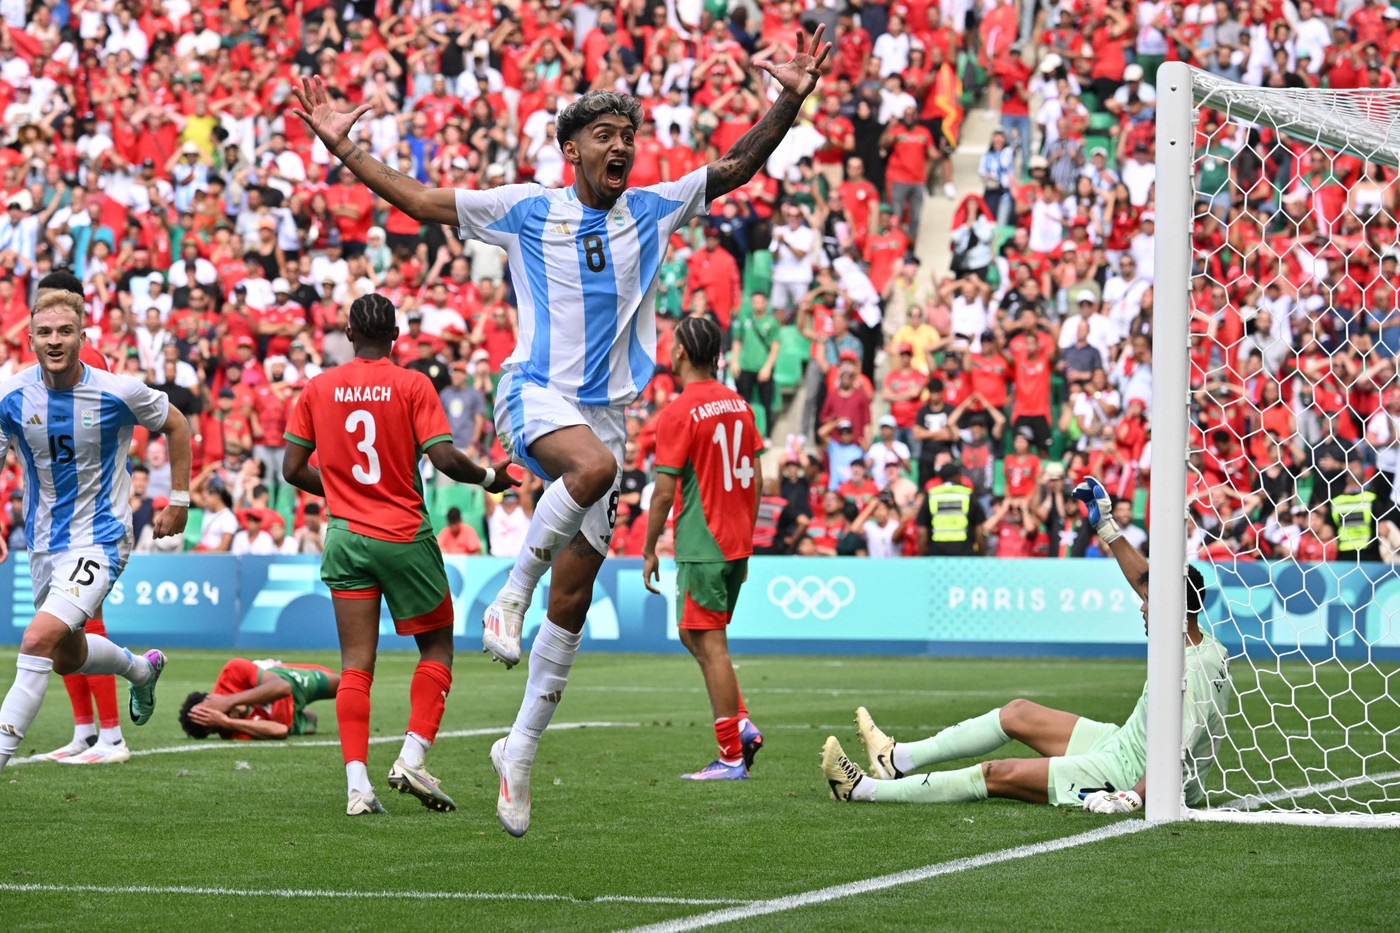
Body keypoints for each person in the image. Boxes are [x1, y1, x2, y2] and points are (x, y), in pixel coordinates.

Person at [290, 25, 833, 837]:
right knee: (590, 470)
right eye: (606, 136)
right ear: (571, 149)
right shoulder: (524, 209)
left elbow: (736, 166)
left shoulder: (651, 209)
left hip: (607, 413)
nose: (623, 147)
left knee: (574, 599)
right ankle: (507, 600)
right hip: (535, 392)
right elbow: (421, 200)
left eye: (630, 136)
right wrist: (346, 151)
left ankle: (519, 750)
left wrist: (787, 100)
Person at [822, 476, 1233, 814]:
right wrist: (1107, 528)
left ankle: (862, 790)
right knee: (1018, 713)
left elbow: (1174, 754)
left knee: (996, 774)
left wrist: (1136, 796)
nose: (1142, 607)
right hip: (1122, 743)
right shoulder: (1201, 643)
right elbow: (1152, 584)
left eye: (1149, 601)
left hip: (1129, 774)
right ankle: (896, 760)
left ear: (1171, 609)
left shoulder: (1189, 673)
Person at [282, 293, 518, 816]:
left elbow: (292, 469)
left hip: (346, 538)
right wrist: (489, 478)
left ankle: (356, 788)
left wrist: (342, 491)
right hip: (403, 535)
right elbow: (443, 457)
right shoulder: (412, 384)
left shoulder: (317, 388)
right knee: (436, 651)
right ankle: (412, 756)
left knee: (354, 669)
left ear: (348, 334)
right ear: (395, 337)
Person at [0, 289, 192, 773]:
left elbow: (178, 425)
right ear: (31, 340)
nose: (55, 341)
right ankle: (140, 669)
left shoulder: (117, 391)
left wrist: (181, 500)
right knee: (68, 657)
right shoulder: (12, 396)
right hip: (43, 543)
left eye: (65, 331)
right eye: (45, 333)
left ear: (82, 337)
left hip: (102, 538)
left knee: (37, 638)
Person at [642, 316, 765, 781]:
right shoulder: (740, 404)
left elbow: (663, 492)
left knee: (710, 644)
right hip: (733, 543)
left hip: (702, 542)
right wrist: (747, 542)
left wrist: (649, 546)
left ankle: (731, 755)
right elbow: (757, 477)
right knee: (693, 635)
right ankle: (743, 721)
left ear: (680, 353)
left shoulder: (677, 412)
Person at [31, 270, 133, 765]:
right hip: (60, 520)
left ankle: (111, 737)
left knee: (85, 624)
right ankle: (85, 731)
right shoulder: (76, 353)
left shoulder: (84, 361)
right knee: (65, 632)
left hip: (89, 520)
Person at [178, 658, 339, 741]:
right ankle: (301, 714)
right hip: (286, 719)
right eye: (221, 720)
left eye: (220, 708)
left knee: (344, 684)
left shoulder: (231, 673)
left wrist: (229, 701)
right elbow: (280, 730)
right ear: (213, 728)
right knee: (312, 721)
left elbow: (283, 688)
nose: (229, 714)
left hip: (288, 685)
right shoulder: (234, 732)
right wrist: (227, 723)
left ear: (212, 698)